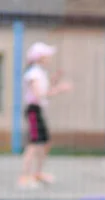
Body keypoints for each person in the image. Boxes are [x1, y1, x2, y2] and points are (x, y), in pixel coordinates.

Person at [18, 42, 72, 189]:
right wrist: (59, 89)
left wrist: (55, 79)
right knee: (34, 144)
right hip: (33, 110)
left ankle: (37, 173)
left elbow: (45, 88)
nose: (49, 59)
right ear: (40, 58)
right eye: (47, 56)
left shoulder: (40, 73)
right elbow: (39, 94)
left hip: (38, 110)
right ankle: (24, 176)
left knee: (44, 142)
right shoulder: (33, 73)